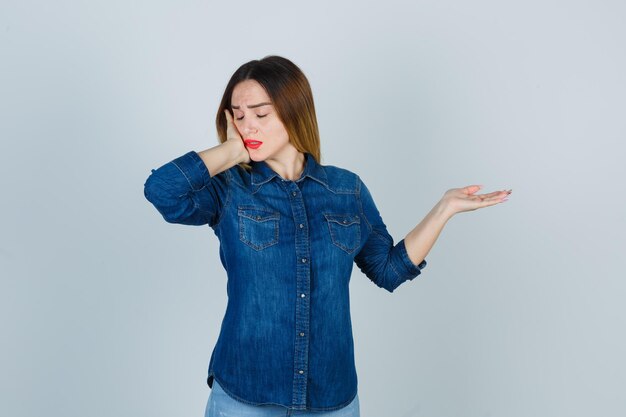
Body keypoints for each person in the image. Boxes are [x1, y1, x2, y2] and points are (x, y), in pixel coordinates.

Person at [143, 55, 512, 417]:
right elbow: (162, 191)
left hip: (330, 398)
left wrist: (444, 208)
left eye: (260, 114)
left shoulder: (346, 190)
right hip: (244, 395)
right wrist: (231, 150)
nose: (248, 126)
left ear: (292, 111)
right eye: (238, 116)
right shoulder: (229, 188)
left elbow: (388, 270)